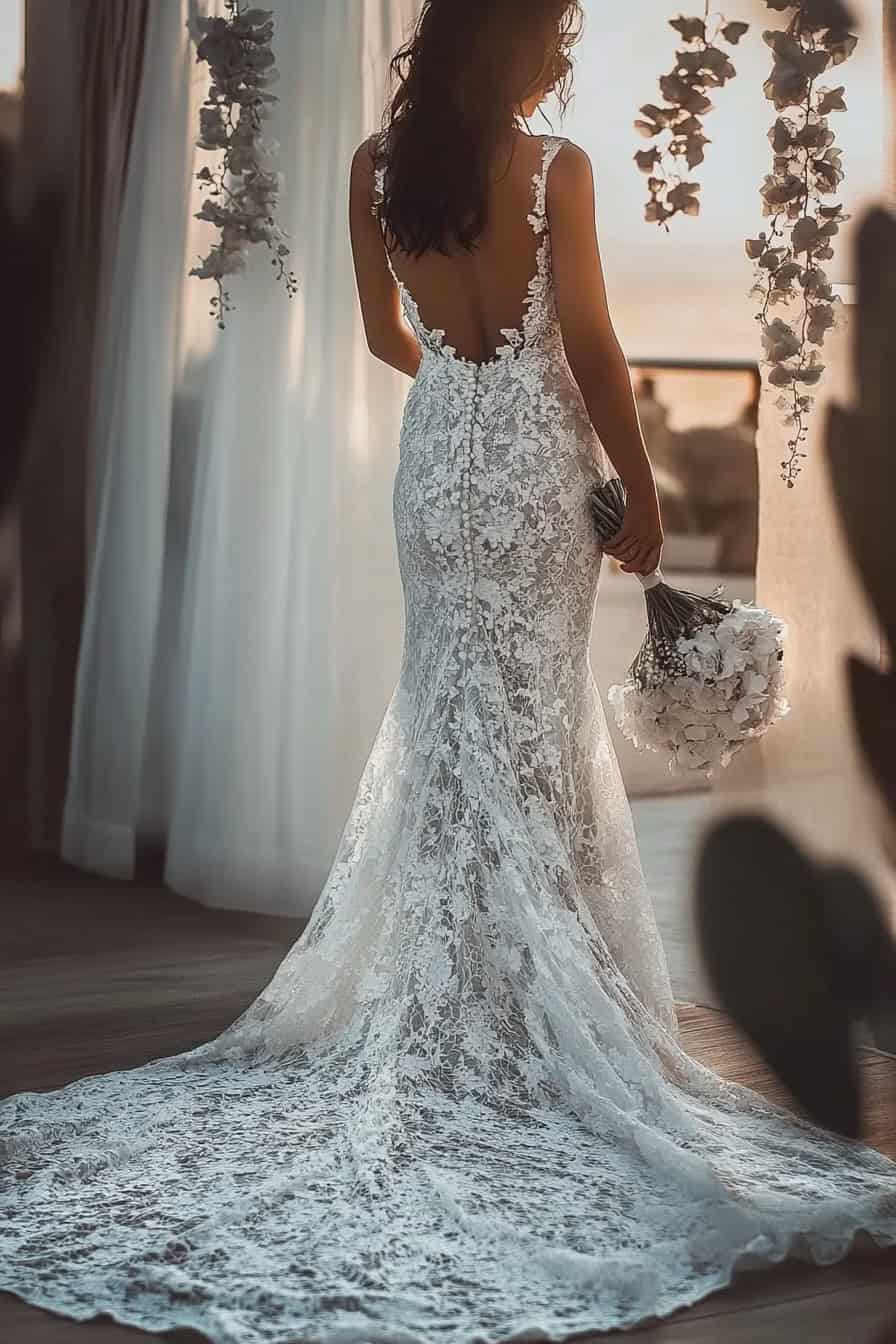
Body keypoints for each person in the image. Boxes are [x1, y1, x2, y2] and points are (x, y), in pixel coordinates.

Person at [1, 3, 895, 1340]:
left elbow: (382, 336)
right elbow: (593, 347)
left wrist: (467, 388)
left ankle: (463, 997)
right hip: (536, 474)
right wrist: (633, 489)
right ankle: (526, 1011)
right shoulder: (556, 168)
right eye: (551, 35)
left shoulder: (376, 169)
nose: (561, 60)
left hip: (438, 467)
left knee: (450, 720)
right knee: (525, 731)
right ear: (509, 45)